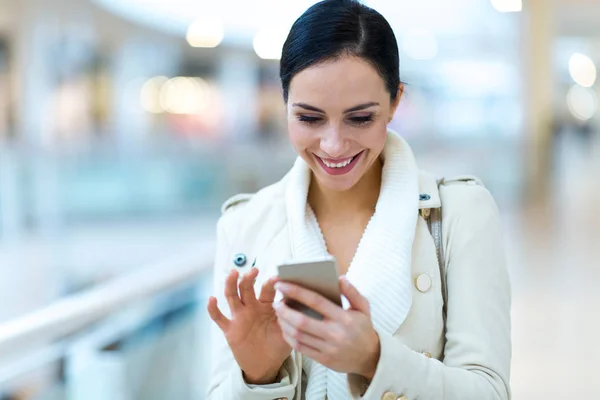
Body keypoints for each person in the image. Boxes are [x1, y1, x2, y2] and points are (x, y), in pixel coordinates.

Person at [206, 0, 511, 399]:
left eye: (361, 118)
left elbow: (489, 392)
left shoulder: (460, 214)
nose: (333, 145)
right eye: (309, 118)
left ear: (395, 101)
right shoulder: (244, 223)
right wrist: (259, 377)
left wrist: (374, 358)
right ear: (284, 103)